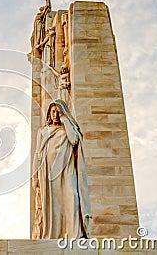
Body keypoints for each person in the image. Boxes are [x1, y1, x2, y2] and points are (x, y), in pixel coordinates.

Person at [32, 99, 92, 239]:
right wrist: (35, 176)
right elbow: (38, 154)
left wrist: (66, 120)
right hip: (48, 171)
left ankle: (74, 234)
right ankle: (53, 235)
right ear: (49, 113)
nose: (55, 115)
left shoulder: (69, 129)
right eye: (53, 112)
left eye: (58, 112)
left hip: (67, 168)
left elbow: (74, 140)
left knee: (72, 196)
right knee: (52, 204)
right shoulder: (43, 131)